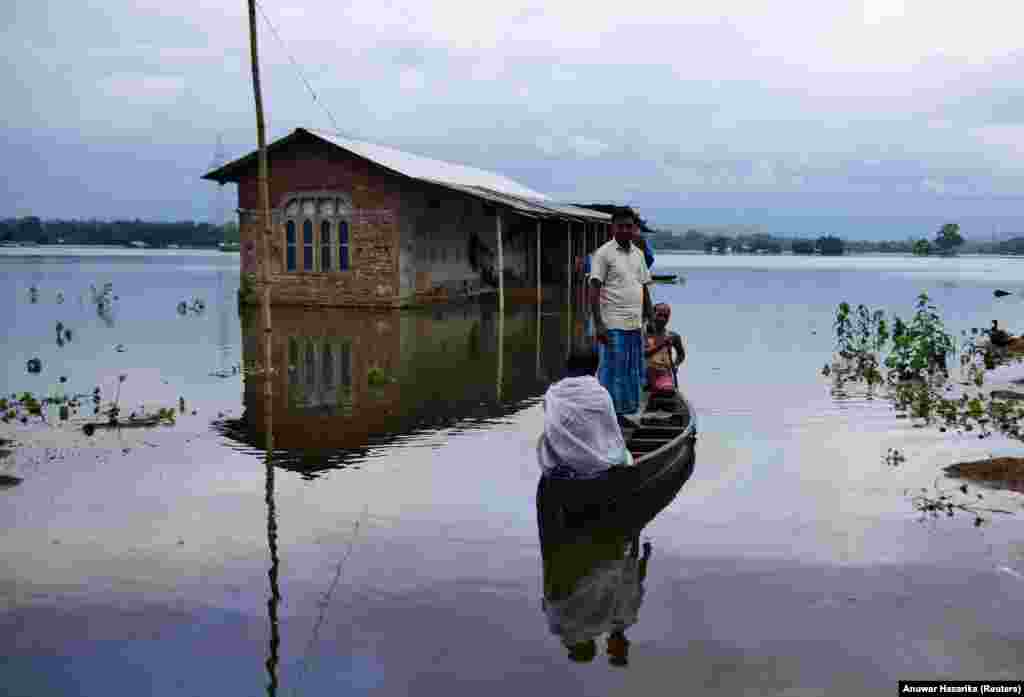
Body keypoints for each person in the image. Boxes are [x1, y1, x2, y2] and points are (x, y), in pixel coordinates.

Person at [590, 211, 654, 421]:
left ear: (634, 228)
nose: (626, 230)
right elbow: (594, 289)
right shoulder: (603, 254)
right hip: (612, 323)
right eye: (621, 226)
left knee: (632, 371)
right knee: (611, 371)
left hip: (634, 324)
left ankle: (626, 413)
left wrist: (650, 316)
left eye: (629, 226)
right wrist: (598, 324)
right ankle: (608, 416)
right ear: (613, 228)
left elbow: (644, 286)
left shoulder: (638, 254)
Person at [536, 348, 634, 479]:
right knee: (624, 455)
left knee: (545, 437)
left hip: (561, 464)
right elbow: (612, 432)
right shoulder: (601, 394)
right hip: (598, 464)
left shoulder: (553, 393)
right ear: (595, 368)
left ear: (568, 366)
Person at [645, 303, 685, 394]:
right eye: (659, 315)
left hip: (664, 374)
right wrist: (662, 344)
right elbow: (643, 354)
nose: (662, 319)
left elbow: (681, 354)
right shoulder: (643, 334)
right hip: (646, 374)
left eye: (666, 316)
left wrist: (675, 365)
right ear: (652, 314)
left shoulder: (673, 336)